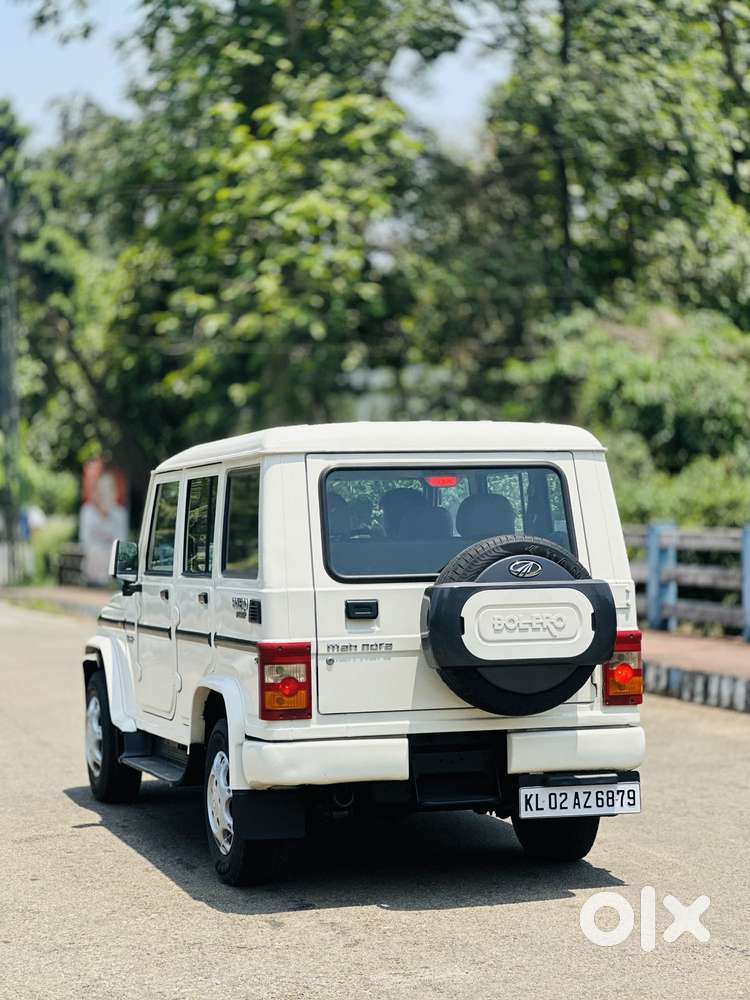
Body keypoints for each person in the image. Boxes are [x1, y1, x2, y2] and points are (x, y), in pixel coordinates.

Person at [80, 469, 129, 584]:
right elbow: (85, 543)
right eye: (101, 490)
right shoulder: (87, 511)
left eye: (108, 489)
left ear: (115, 492)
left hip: (113, 573)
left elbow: (121, 546)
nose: (104, 494)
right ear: (95, 492)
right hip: (93, 571)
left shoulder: (120, 514)